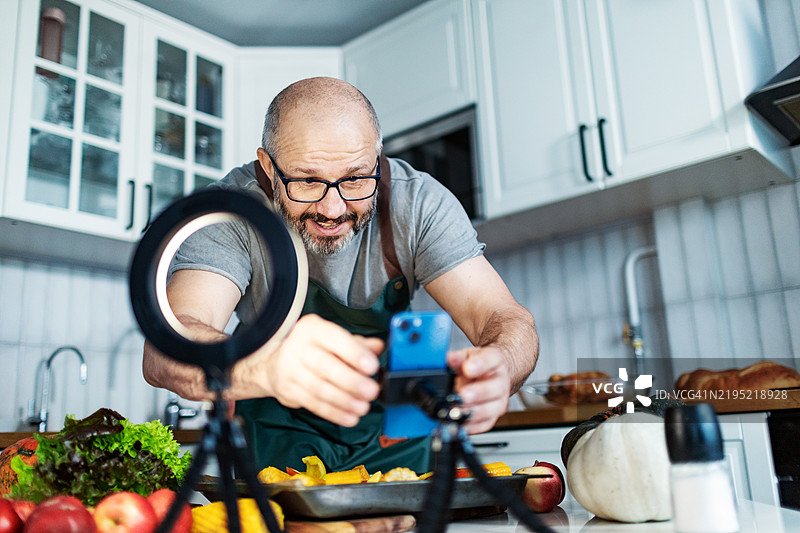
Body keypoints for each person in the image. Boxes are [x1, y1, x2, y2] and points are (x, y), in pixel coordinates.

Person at [142, 77, 539, 474]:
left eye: (354, 179)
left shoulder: (418, 204)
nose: (333, 208)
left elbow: (503, 317)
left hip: (395, 440)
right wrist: (264, 367)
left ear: (377, 157)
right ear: (267, 165)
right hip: (281, 443)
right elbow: (165, 350)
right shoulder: (230, 213)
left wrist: (502, 365)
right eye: (308, 181)